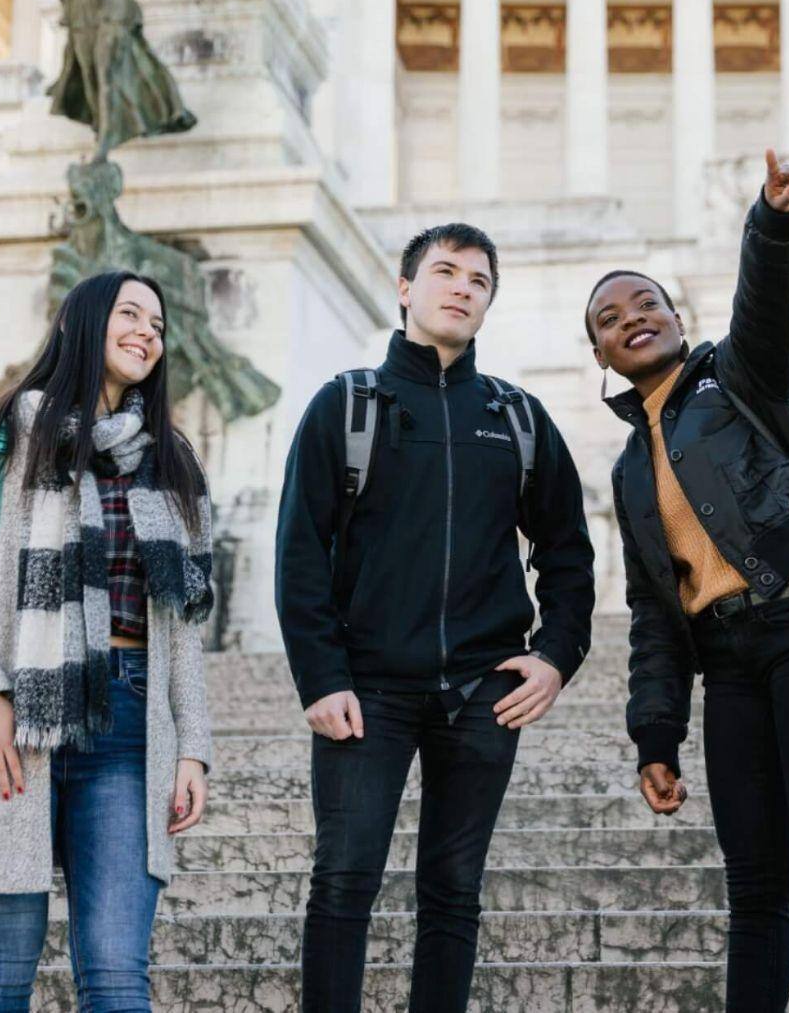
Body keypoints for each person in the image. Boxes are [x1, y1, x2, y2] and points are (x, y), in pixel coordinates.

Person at [586, 149, 789, 1013]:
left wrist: (774, 221)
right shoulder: (627, 470)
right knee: (754, 887)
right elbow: (654, 612)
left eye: (646, 301)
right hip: (727, 660)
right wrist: (655, 734)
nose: (633, 318)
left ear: (677, 314)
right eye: (611, 318)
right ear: (602, 356)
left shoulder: (737, 378)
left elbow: (767, 311)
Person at [275, 221, 597, 1013]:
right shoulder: (347, 405)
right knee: (344, 880)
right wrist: (321, 676)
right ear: (406, 286)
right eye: (446, 271)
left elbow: (569, 552)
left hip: (482, 692)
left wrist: (556, 654)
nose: (461, 287)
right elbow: (300, 553)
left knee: (454, 892)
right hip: (367, 689)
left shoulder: (516, 416)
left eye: (479, 280)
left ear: (488, 302)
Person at [0, 270, 216, 1013]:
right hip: (15, 722)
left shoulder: (171, 462)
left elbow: (183, 631)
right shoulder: (0, 442)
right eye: (130, 313)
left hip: (129, 724)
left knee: (117, 979)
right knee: (1, 975)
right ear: (84, 322)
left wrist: (192, 747)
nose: (149, 330)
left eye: (158, 321)